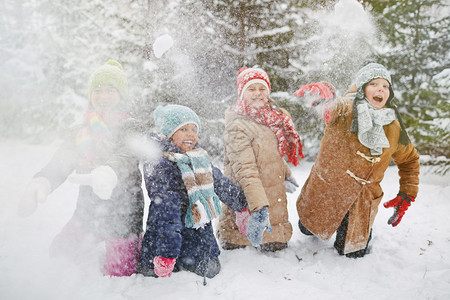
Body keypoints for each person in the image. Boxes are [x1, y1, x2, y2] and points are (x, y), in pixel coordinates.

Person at [18, 60, 145, 276]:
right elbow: (62, 160)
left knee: (119, 273)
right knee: (58, 254)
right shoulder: (81, 131)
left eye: (110, 90)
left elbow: (127, 156)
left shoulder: (131, 126)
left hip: (123, 216)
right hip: (89, 214)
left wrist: (108, 172)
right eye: (98, 90)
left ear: (121, 96)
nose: (103, 96)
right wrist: (43, 181)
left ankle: (135, 242)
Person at [293, 62, 420, 258]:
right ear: (362, 88)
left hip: (361, 201)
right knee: (307, 229)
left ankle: (357, 232)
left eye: (385, 86)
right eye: (374, 84)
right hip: (329, 192)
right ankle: (310, 223)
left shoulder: (393, 126)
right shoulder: (346, 109)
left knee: (352, 252)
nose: (381, 89)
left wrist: (407, 193)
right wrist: (327, 99)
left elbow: (410, 160)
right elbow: (333, 107)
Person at [138, 104, 247, 280]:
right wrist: (166, 253)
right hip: (164, 236)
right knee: (154, 274)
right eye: (183, 129)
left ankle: (192, 258)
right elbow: (166, 209)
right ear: (169, 133)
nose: (191, 134)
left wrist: (241, 206)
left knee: (210, 270)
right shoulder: (159, 163)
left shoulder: (198, 159)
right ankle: (162, 260)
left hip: (197, 235)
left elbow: (219, 182)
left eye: (194, 129)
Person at [216, 67, 304, 252]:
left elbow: (272, 153)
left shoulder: (273, 119)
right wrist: (258, 209)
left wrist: (284, 173)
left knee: (277, 252)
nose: (257, 93)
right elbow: (246, 171)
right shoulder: (237, 127)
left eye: (261, 88)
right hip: (246, 215)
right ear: (241, 93)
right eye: (251, 89)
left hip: (273, 215)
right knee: (247, 256)